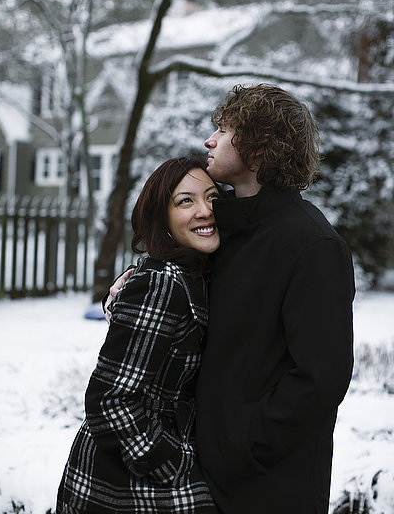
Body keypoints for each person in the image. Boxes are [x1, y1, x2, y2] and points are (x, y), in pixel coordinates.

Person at [106, 83, 355, 514]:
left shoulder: (311, 243)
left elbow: (322, 377)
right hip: (203, 473)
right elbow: (175, 262)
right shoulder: (223, 226)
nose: (210, 140)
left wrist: (244, 448)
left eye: (224, 129)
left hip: (269, 481)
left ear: (260, 147)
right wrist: (135, 279)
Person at [56, 157, 220, 514]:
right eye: (186, 201)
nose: (205, 210)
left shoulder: (189, 273)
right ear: (161, 219)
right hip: (126, 481)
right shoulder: (162, 281)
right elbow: (111, 399)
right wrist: (175, 464)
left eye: (212, 198)